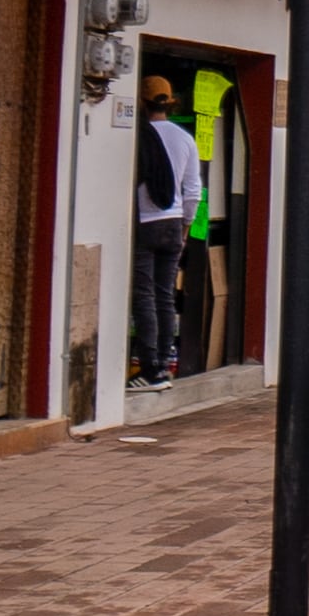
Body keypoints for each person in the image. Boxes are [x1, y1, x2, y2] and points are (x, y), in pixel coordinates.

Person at [130, 74, 202, 389]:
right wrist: (185, 227)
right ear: (168, 103)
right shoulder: (184, 138)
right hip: (174, 224)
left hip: (145, 222)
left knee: (143, 295)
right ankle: (163, 364)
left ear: (141, 102)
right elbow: (193, 190)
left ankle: (150, 369)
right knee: (164, 296)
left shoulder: (137, 136)